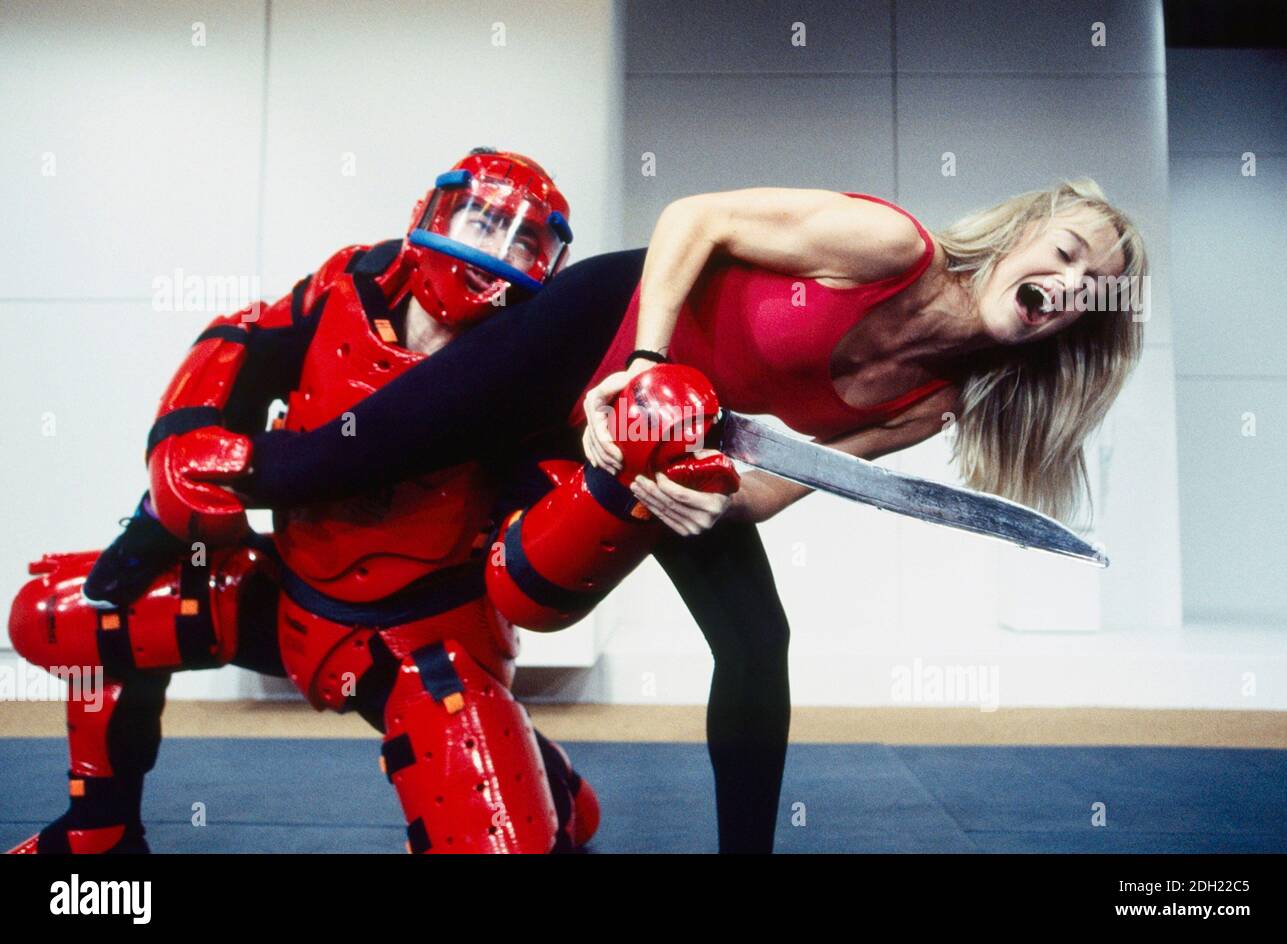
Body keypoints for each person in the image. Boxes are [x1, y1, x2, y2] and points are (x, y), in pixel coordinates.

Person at [33, 175, 1147, 854]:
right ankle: (144, 537)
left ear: (1074, 326)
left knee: (757, 641)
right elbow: (692, 217)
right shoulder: (886, 248)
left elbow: (766, 484)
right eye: (1064, 248)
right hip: (596, 336)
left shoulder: (929, 401)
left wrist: (688, 496)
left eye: (1087, 284)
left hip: (660, 437)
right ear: (1022, 235)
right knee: (319, 464)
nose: (1064, 277)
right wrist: (645, 359)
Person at [8, 148, 713, 854]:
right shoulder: (350, 285)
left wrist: (617, 490)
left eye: (522, 240)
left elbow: (537, 586)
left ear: (547, 269)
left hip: (426, 646)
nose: (491, 251)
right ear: (428, 216)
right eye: (479, 221)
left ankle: (542, 778)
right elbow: (241, 339)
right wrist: (182, 443)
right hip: (282, 593)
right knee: (62, 616)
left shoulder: (537, 382)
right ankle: (97, 832)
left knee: (496, 841)